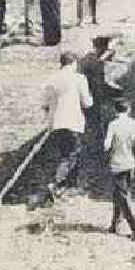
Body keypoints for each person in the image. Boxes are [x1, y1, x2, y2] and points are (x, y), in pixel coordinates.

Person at [42, 52, 93, 201]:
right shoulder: (79, 78)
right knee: (72, 154)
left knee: (66, 153)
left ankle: (70, 185)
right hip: (73, 122)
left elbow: (44, 104)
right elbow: (87, 103)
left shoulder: (51, 80)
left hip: (56, 124)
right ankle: (55, 183)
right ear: (74, 63)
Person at [104, 97, 135, 240]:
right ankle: (114, 224)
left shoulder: (112, 125)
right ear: (129, 110)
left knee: (123, 197)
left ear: (115, 110)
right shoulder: (134, 124)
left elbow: (106, 145)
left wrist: (109, 145)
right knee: (118, 195)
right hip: (130, 164)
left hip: (117, 165)